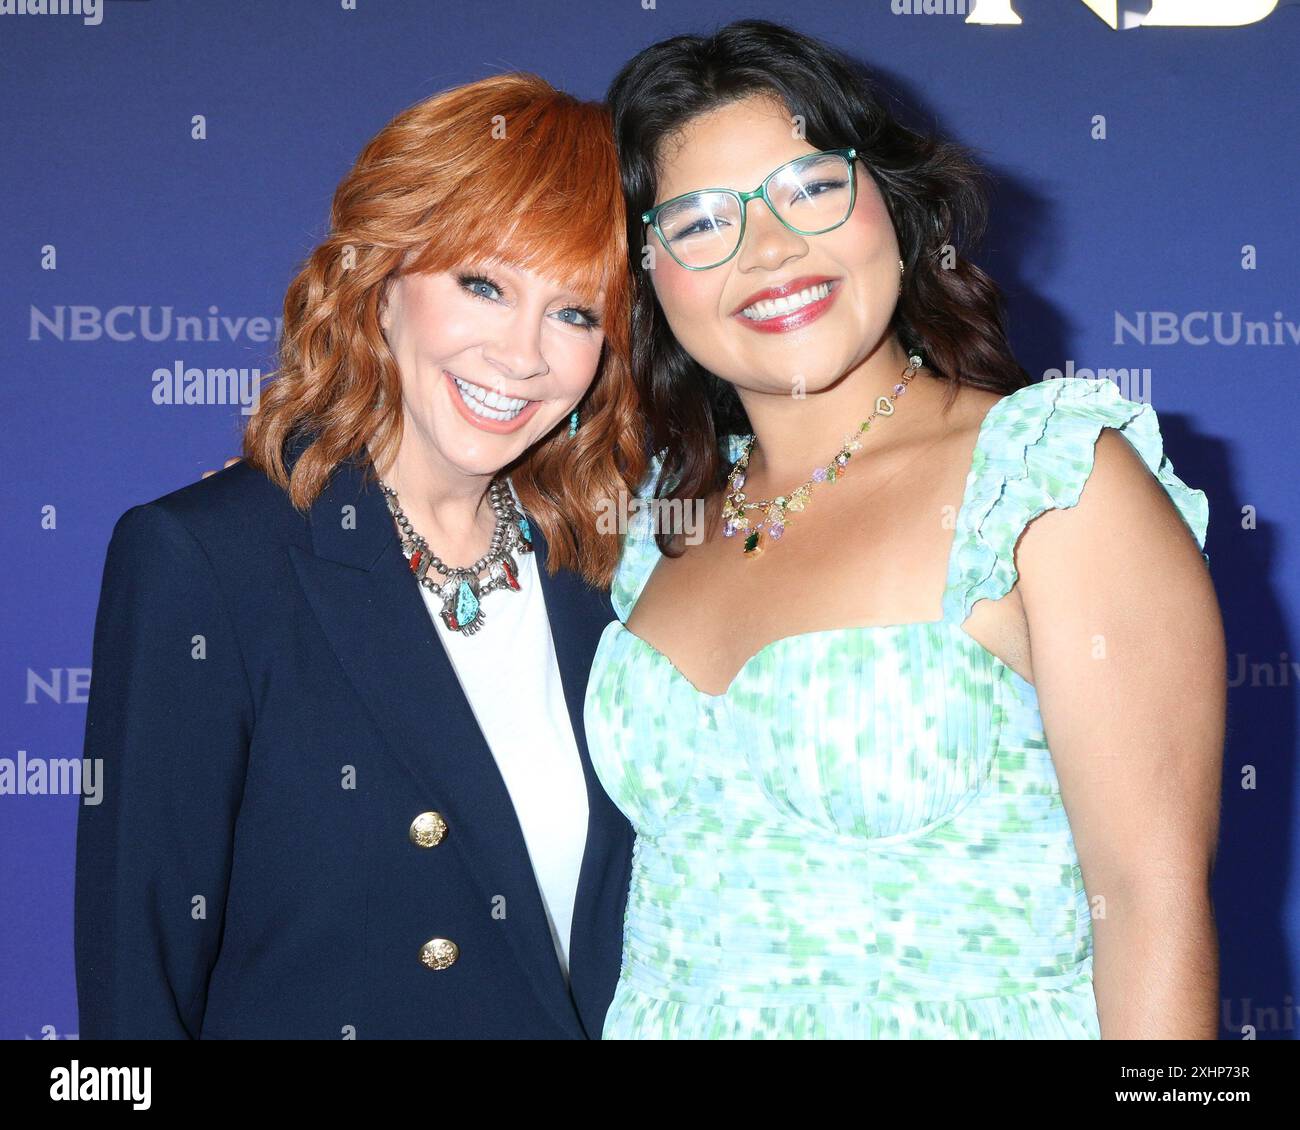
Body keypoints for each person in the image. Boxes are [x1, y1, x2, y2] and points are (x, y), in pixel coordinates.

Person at [584, 19, 1225, 1039]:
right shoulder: (655, 520)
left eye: (809, 188)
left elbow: (1153, 911)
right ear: (648, 276)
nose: (769, 249)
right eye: (701, 222)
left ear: (894, 203)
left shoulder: (1047, 480)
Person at [75, 73, 645, 1039]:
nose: (523, 355)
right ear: (380, 288)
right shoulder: (208, 562)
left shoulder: (606, 573)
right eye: (483, 284)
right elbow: (138, 991)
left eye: (576, 313)